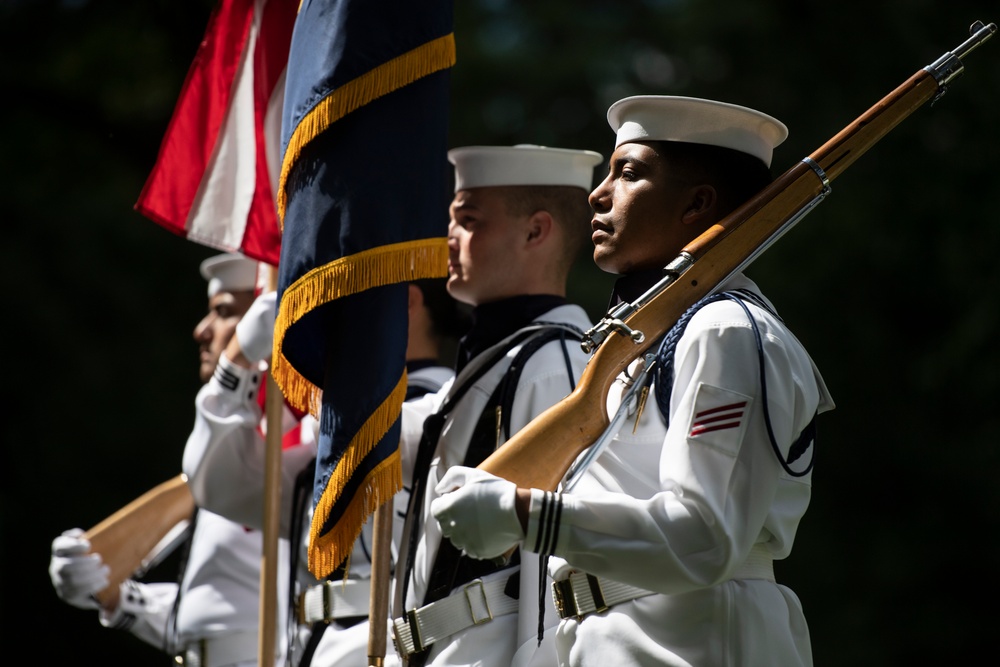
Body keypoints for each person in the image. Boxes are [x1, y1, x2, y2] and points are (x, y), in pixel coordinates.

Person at [430, 97, 836, 666]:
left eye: (628, 173)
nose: (598, 195)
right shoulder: (648, 341)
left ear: (697, 204)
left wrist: (526, 514)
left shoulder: (725, 331)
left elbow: (704, 537)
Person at [181, 277, 467, 667]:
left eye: (338, 298)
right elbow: (219, 484)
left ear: (404, 305)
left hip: (388, 650)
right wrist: (237, 360)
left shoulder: (453, 413)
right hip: (311, 647)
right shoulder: (328, 424)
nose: (319, 315)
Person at [390, 144, 602, 667]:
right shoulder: (499, 358)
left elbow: (552, 559)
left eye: (469, 220)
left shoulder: (556, 360)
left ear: (535, 232)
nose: (450, 238)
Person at [48, 252, 294, 667]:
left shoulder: (289, 440)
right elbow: (215, 615)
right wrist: (120, 598)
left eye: (223, 312)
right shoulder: (236, 448)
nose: (202, 330)